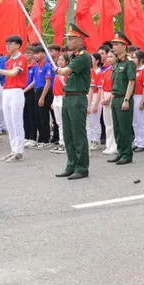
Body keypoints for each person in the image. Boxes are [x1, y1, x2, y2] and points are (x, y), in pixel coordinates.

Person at [55, 25, 91, 180]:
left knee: (78, 134)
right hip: (68, 97)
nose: (68, 41)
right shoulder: (75, 56)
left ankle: (82, 167)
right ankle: (71, 165)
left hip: (77, 98)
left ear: (80, 40)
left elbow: (65, 71)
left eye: (71, 38)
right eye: (68, 38)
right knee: (68, 134)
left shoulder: (83, 56)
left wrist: (56, 68)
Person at [0, 36, 28, 162]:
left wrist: (0, 71)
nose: (8, 46)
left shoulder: (21, 58)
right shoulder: (8, 61)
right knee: (9, 123)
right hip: (7, 91)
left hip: (17, 91)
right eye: (6, 44)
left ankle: (19, 151)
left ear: (17, 45)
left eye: (10, 44)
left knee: (16, 121)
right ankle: (13, 149)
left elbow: (14, 73)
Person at [107, 31, 136, 165]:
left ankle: (127, 154)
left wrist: (126, 99)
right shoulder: (117, 63)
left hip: (124, 98)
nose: (114, 47)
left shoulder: (129, 63)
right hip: (116, 98)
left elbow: (131, 81)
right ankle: (120, 151)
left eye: (117, 44)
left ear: (124, 46)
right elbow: (115, 83)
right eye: (114, 44)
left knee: (125, 128)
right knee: (117, 127)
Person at [32, 46, 54, 147]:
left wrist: (42, 97)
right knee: (38, 116)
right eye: (35, 53)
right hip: (37, 91)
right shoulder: (36, 66)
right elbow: (35, 81)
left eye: (38, 53)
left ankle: (46, 139)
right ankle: (41, 138)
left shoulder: (47, 66)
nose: (35, 55)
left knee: (44, 116)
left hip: (45, 92)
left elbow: (48, 82)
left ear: (44, 54)